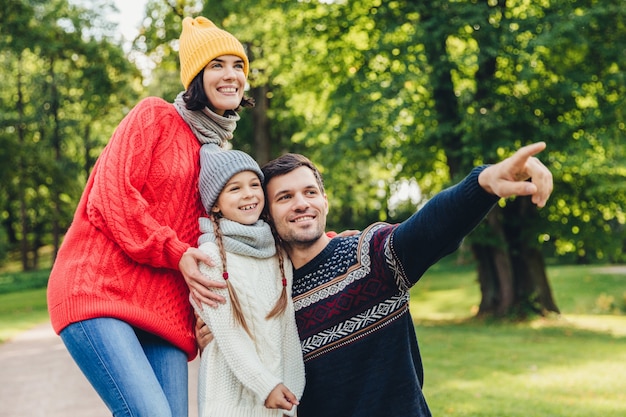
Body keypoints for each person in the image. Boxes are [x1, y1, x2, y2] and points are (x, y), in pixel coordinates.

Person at [197, 141, 552, 416]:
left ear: (325, 200)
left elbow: (428, 229)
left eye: (309, 192)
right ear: (268, 215)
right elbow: (237, 345)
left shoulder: (369, 255)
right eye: (285, 197)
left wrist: (483, 184)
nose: (301, 203)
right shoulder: (270, 289)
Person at [46, 16, 252, 417]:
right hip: (99, 291)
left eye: (238, 65)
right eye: (217, 65)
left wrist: (327, 241)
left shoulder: (220, 158)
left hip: (166, 311)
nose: (231, 75)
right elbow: (111, 197)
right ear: (195, 76)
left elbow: (244, 230)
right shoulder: (155, 117)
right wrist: (175, 251)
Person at [191, 144, 305, 417]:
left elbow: (286, 325)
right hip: (229, 401)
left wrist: (293, 388)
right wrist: (266, 386)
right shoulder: (210, 258)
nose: (249, 194)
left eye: (254, 184)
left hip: (278, 401)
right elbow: (229, 336)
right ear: (215, 204)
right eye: (234, 188)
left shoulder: (277, 253)